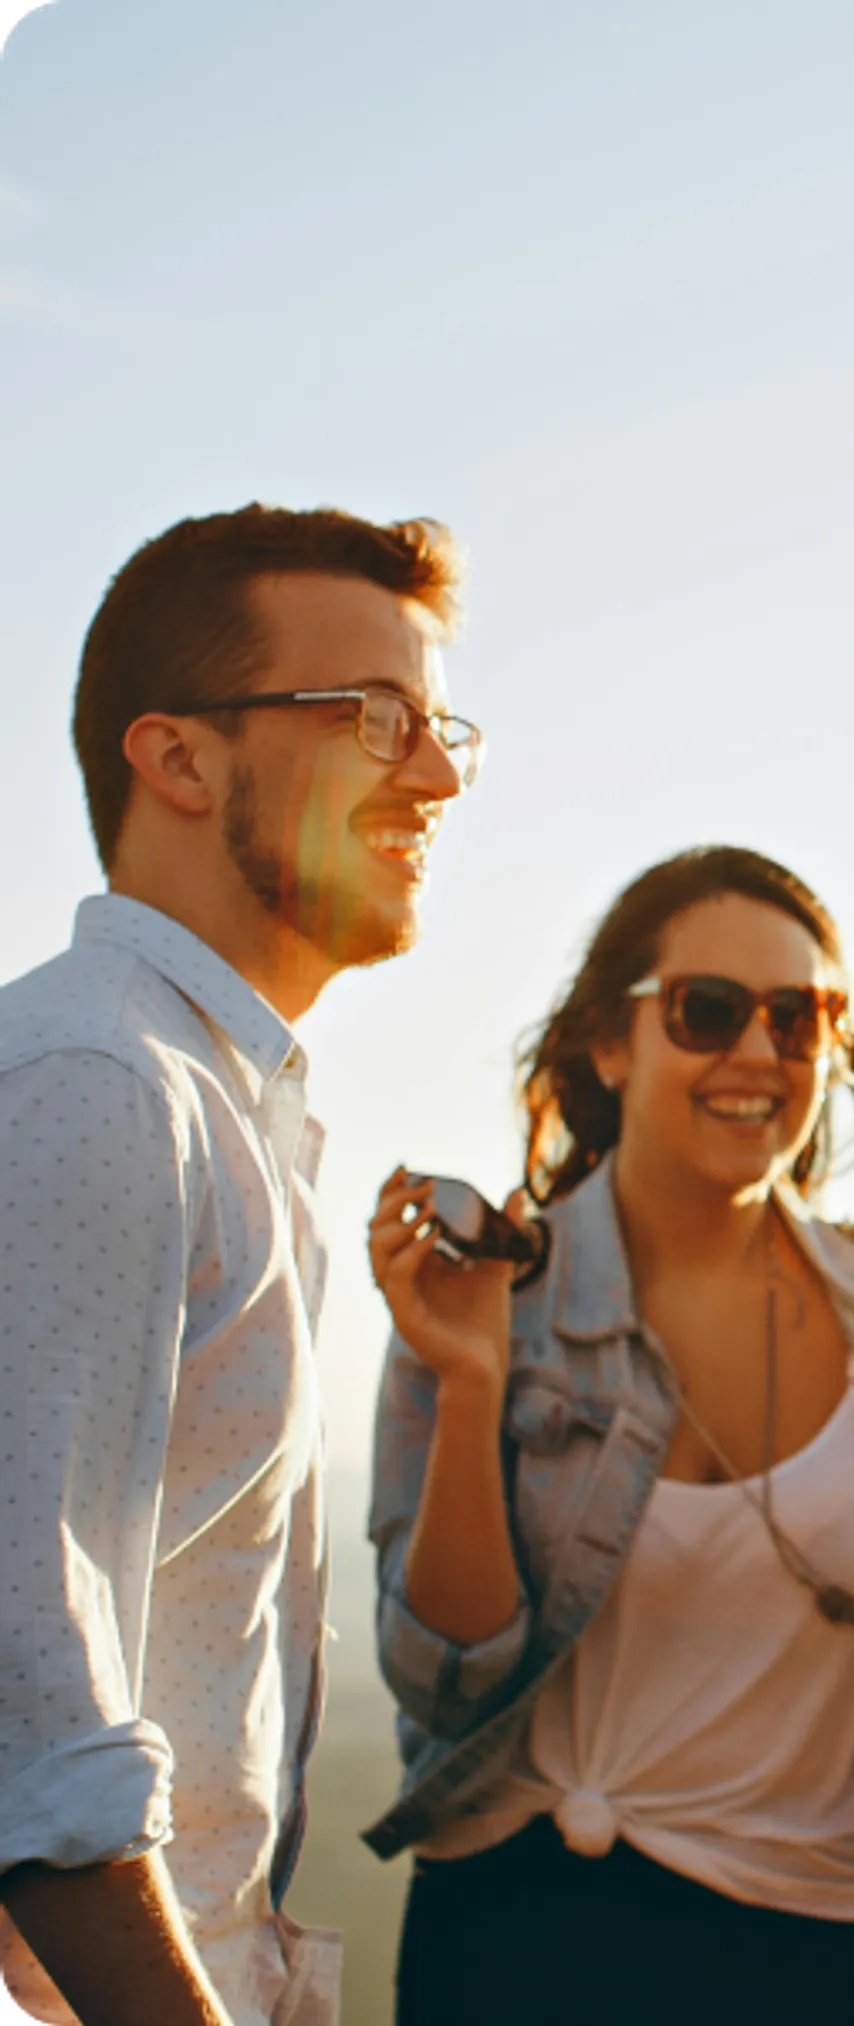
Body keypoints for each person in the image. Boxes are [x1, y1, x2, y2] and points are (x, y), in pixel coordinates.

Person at [359, 845, 854, 2026]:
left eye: (800, 1017)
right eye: (709, 1010)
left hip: (816, 1965)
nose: (759, 1053)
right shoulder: (490, 1297)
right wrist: (471, 1384)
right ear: (609, 1042)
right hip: (513, 1951)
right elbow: (445, 1682)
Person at [0, 506, 479, 2026]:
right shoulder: (99, 1084)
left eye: (442, 726)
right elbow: (28, 1700)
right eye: (377, 717)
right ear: (179, 758)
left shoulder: (219, 1106)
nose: (437, 774)